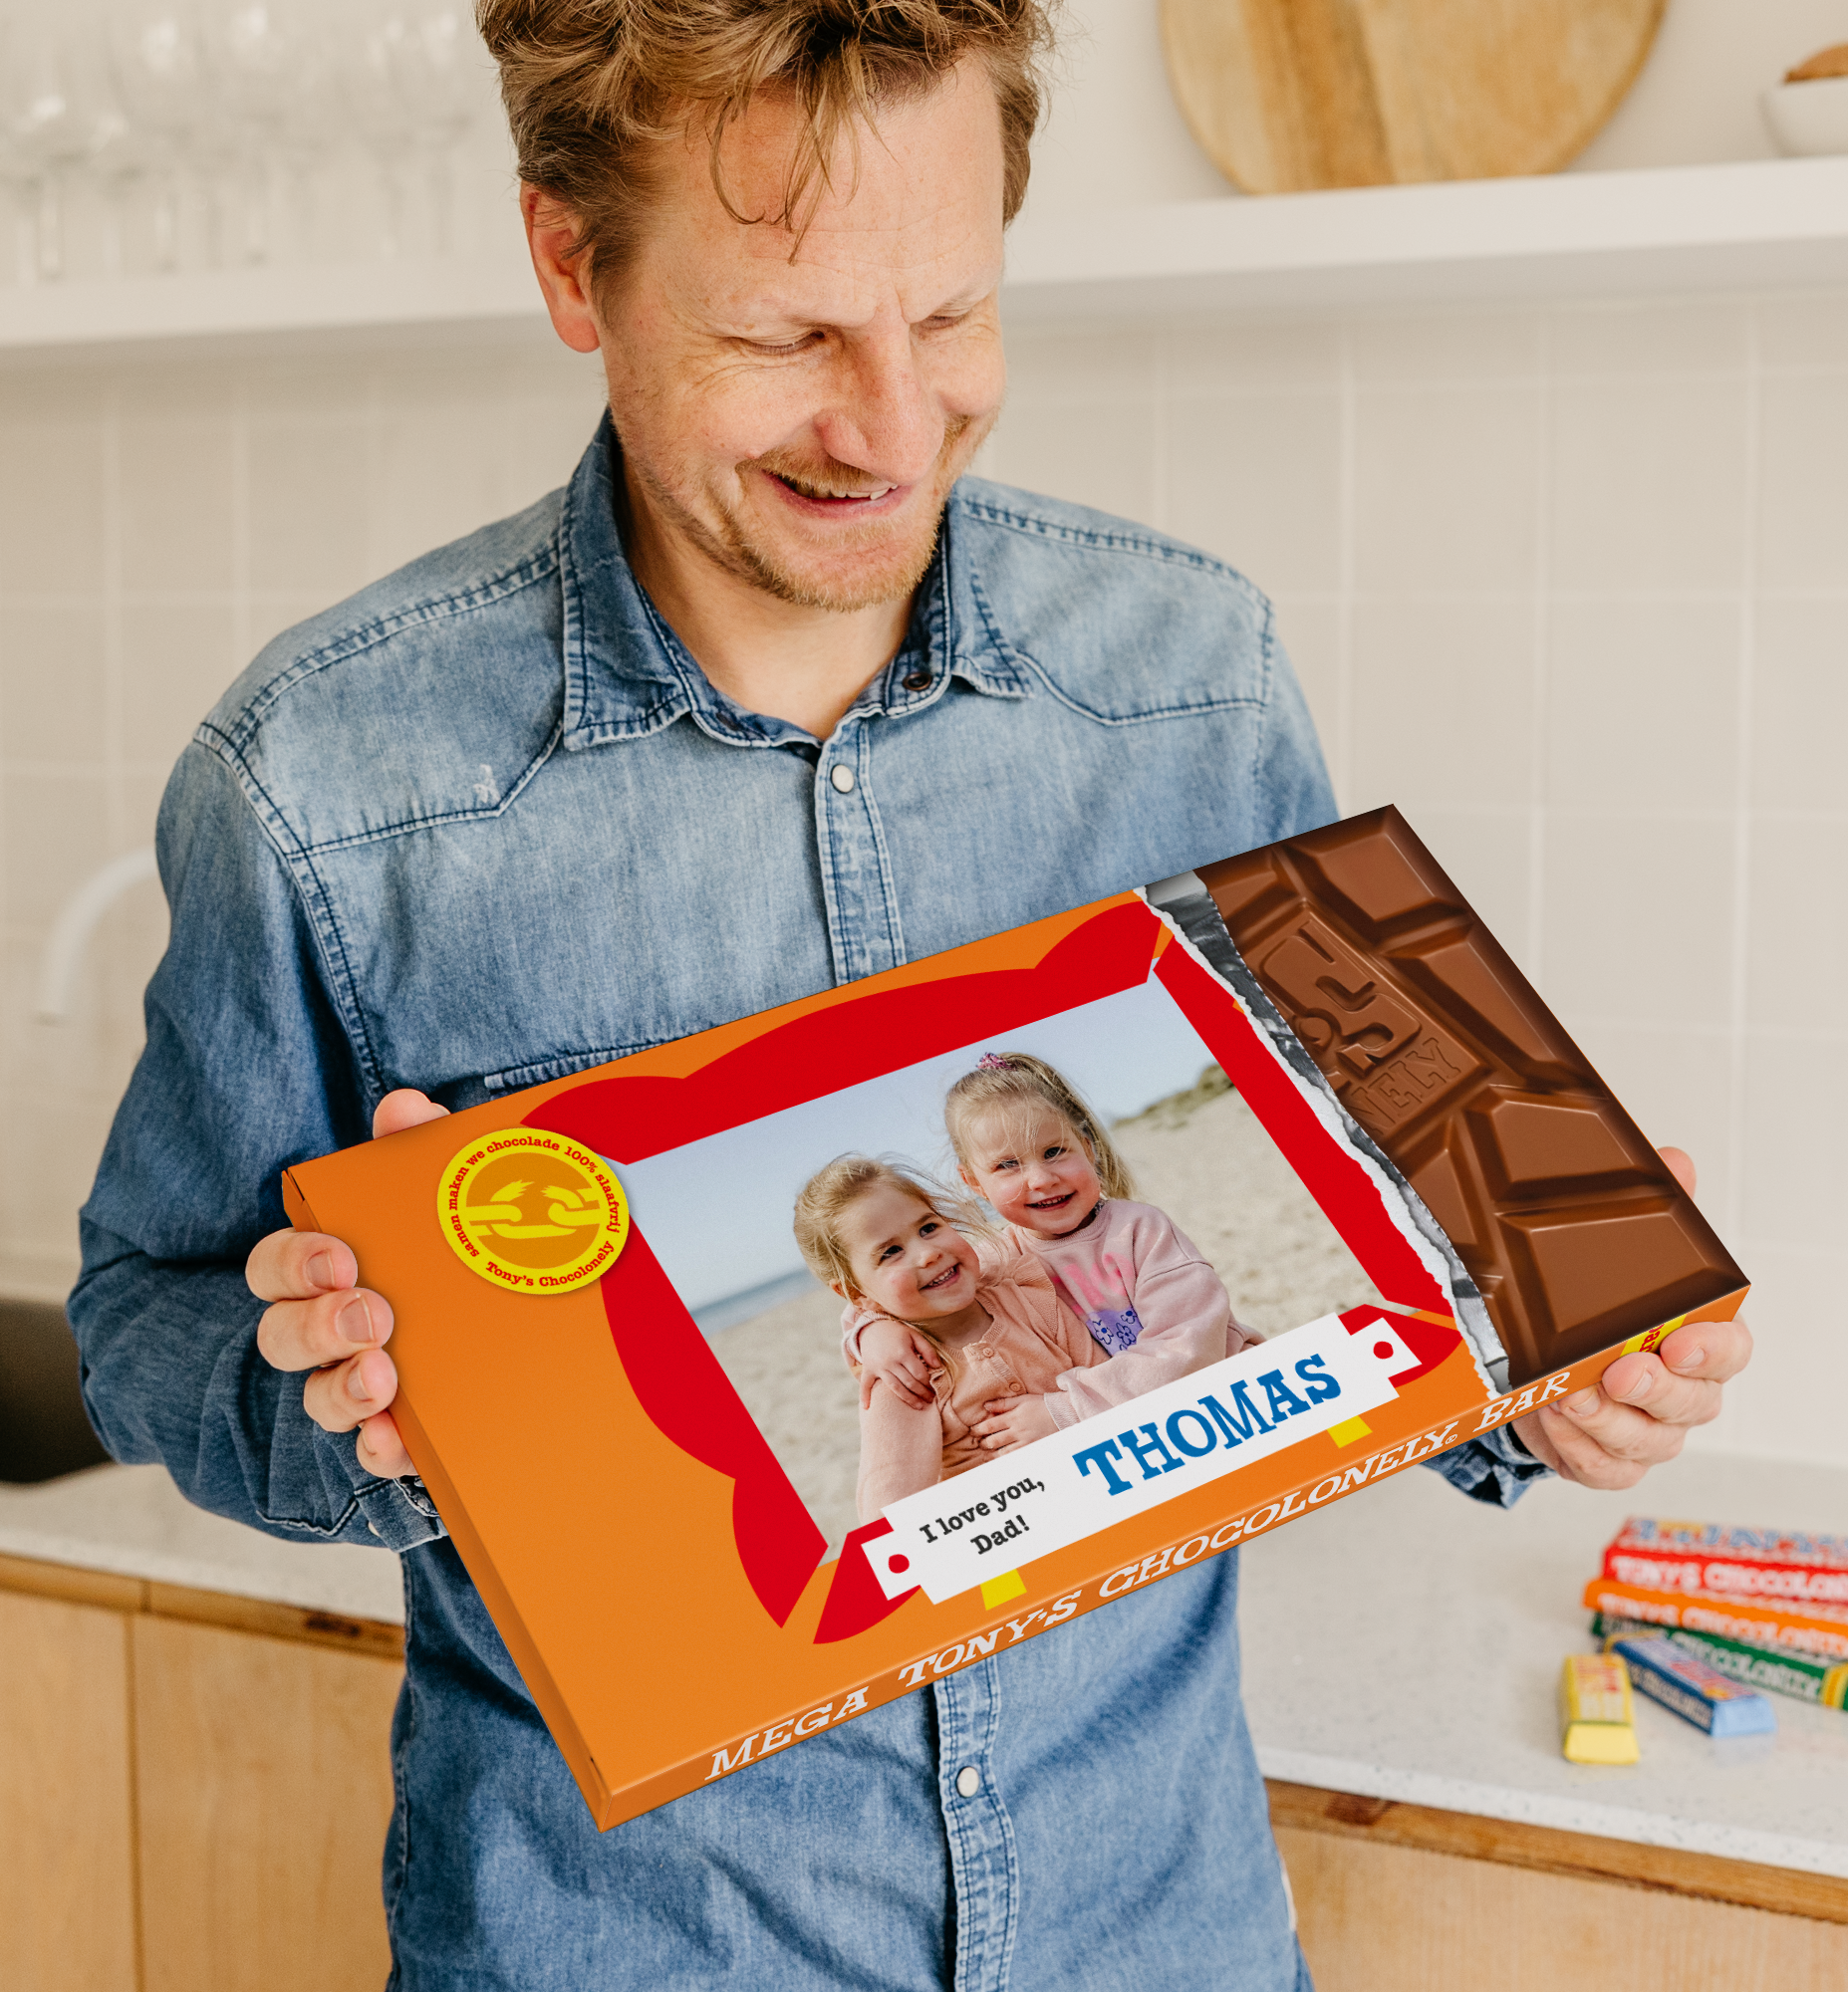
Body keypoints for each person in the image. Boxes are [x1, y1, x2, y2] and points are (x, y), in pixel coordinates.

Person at [67, 0, 1753, 1985]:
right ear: (566, 265)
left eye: (949, 314)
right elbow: (141, 1316)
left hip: (1165, 1928)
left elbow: (1379, 1225)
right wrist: (332, 1402)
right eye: (785, 337)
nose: (888, 426)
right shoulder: (322, 789)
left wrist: (1559, 1369)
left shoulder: (1190, 672)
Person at [851, 1051, 1260, 1449]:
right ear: (974, 1182)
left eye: (1053, 1152)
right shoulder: (995, 1257)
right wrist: (871, 1332)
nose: (1041, 1179)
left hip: (1231, 1394)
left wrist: (1065, 1410)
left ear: (1087, 1147)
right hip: (1136, 1431)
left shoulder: (1139, 1229)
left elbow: (1190, 1348)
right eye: (1007, 1165)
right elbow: (893, 1289)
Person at [793, 1153, 1102, 1516]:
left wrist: (1067, 1413)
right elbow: (886, 1511)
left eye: (928, 1227)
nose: (927, 1253)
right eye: (891, 1252)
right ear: (856, 1293)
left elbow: (1106, 1380)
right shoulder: (904, 1374)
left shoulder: (1025, 1296)